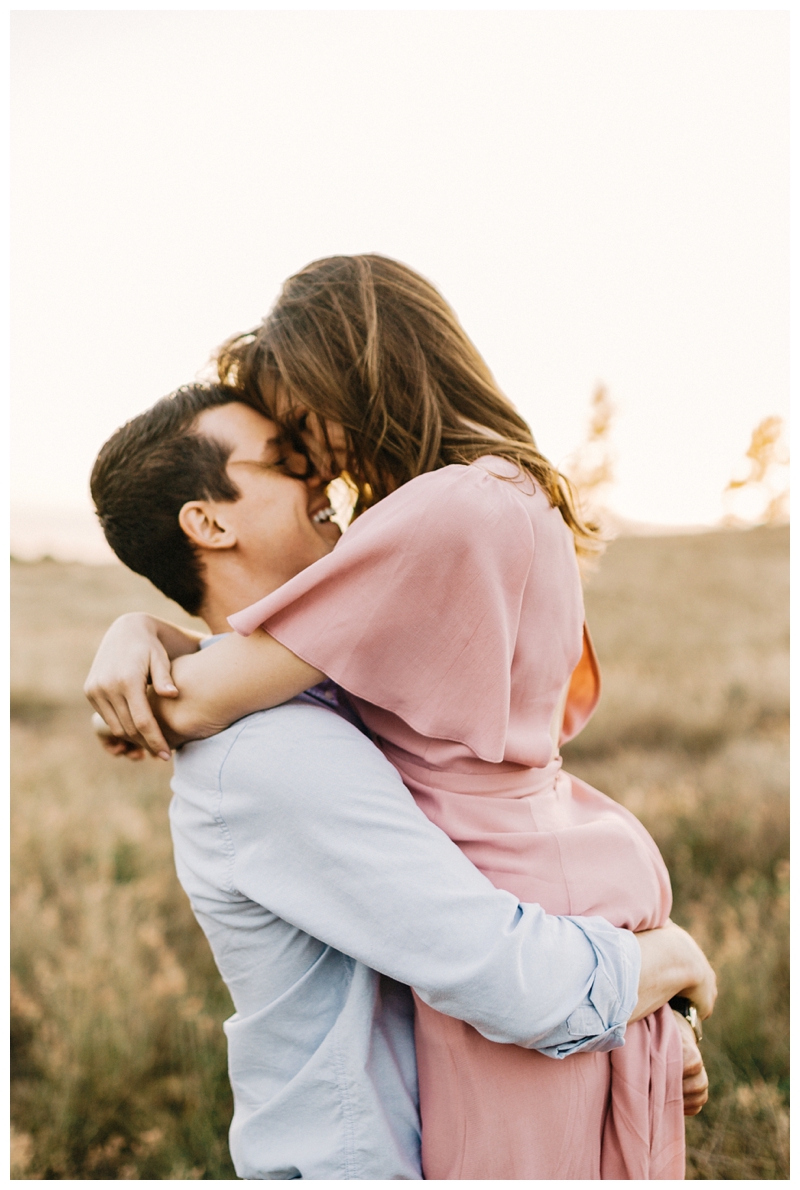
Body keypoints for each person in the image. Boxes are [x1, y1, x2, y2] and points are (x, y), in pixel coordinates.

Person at [87, 259, 715, 1178]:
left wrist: (144, 642)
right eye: (289, 456)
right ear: (208, 524)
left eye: (308, 432)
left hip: (527, 975)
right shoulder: (273, 751)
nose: (324, 474)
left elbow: (240, 683)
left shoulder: (439, 526)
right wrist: (665, 970)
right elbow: (511, 980)